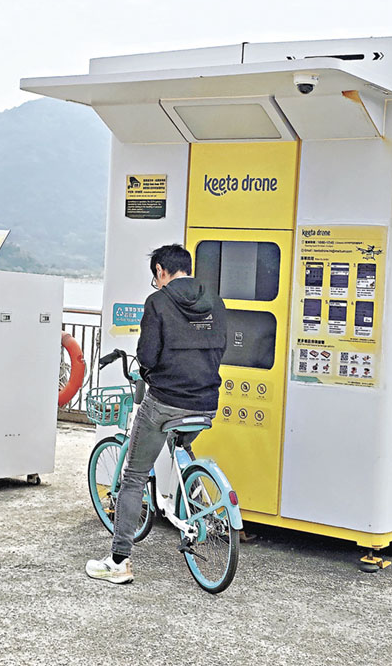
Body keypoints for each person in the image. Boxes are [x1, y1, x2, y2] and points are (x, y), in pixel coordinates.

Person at [86, 244, 228, 584]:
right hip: (206, 400)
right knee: (181, 446)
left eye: (156, 276)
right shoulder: (216, 301)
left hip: (166, 401)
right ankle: (197, 506)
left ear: (162, 271)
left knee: (134, 477)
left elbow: (147, 356)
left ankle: (118, 562)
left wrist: (149, 374)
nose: (157, 282)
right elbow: (221, 347)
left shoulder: (158, 302)